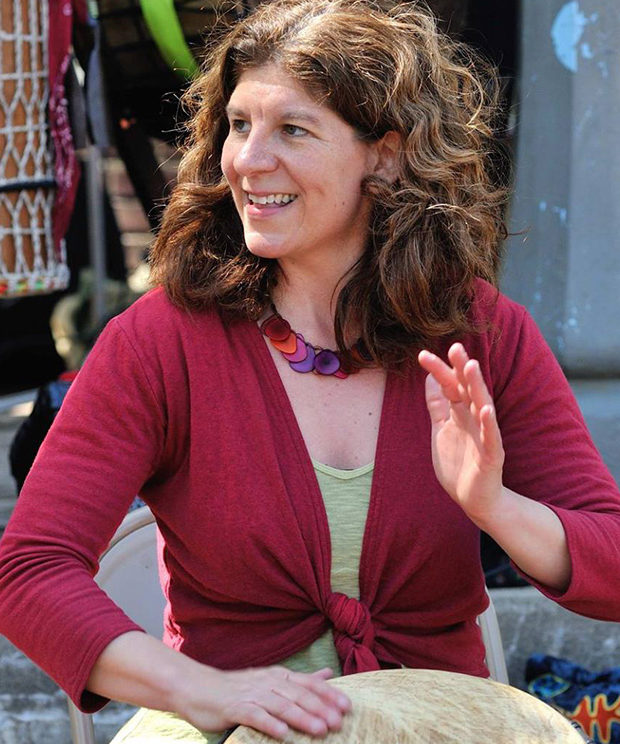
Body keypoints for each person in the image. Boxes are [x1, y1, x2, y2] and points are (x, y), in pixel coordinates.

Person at [1, 1, 620, 742]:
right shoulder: (160, 341)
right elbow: (31, 570)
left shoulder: (482, 331)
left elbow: (612, 561)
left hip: (436, 726)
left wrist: (496, 507)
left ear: (384, 155)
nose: (248, 160)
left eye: (292, 129)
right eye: (239, 125)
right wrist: (201, 689)